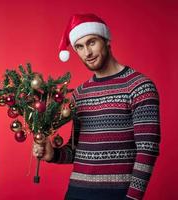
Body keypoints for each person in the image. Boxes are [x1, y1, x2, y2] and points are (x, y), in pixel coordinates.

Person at [33, 14, 160, 200]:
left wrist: (133, 198)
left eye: (92, 42)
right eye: (80, 47)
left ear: (106, 40)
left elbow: (147, 149)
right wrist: (53, 154)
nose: (87, 53)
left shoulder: (140, 87)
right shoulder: (79, 94)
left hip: (118, 195)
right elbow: (76, 150)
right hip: (76, 192)